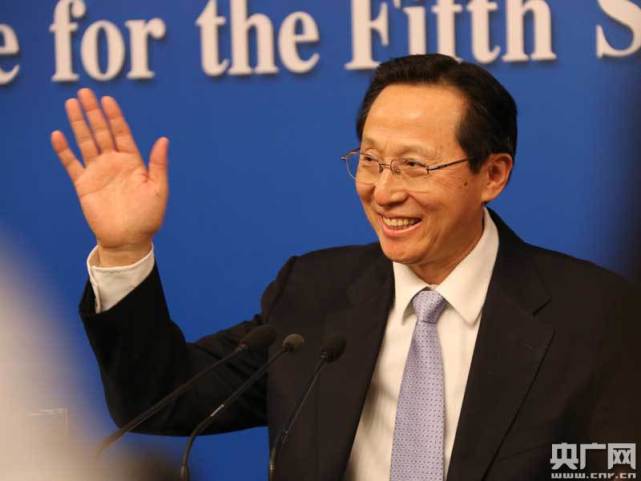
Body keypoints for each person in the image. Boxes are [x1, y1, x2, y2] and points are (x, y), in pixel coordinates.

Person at [51, 54, 640, 481]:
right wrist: (125, 249)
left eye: (413, 166)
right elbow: (159, 398)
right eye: (371, 161)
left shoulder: (593, 316)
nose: (383, 191)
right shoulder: (314, 294)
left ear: (492, 174)